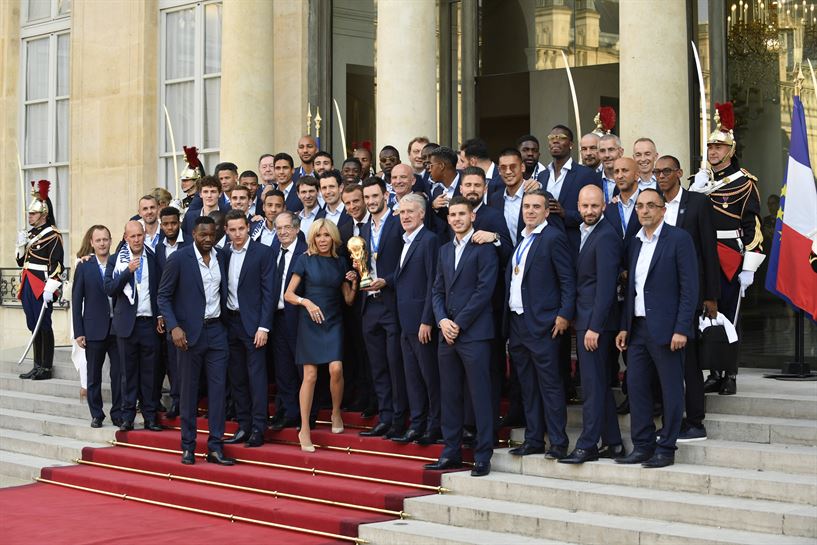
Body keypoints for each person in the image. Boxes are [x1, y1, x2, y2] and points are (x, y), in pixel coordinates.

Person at [615, 189, 698, 468]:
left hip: (667, 330)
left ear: (663, 210)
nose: (645, 210)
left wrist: (682, 328)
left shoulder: (679, 239)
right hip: (637, 328)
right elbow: (632, 290)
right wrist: (624, 326)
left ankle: (666, 447)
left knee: (670, 389)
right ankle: (642, 445)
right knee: (636, 387)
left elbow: (689, 288)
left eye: (651, 205)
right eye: (640, 206)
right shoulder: (635, 242)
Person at [693, 103, 764, 396]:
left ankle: (730, 374)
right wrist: (695, 191)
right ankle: (714, 371)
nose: (713, 151)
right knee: (708, 315)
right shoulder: (700, 181)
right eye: (710, 146)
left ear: (731, 150)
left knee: (729, 316)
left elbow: (753, 227)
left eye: (719, 147)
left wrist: (749, 267)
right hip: (702, 255)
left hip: (729, 255)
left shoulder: (744, 184)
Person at [426, 196, 497, 477]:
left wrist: (459, 323)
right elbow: (437, 290)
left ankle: (483, 455)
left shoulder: (484, 248)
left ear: (472, 217)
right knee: (450, 395)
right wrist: (442, 320)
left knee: (480, 396)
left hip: (474, 334)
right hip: (447, 334)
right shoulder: (444, 250)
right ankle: (451, 452)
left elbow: (484, 291)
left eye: (461, 214)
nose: (456, 219)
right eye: (452, 214)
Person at [157, 216, 234, 466]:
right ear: (193, 234)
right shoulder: (179, 259)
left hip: (217, 332)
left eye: (211, 234)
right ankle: (188, 446)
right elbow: (163, 296)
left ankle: (215, 447)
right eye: (203, 235)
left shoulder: (222, 257)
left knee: (218, 391)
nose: (208, 239)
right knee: (188, 392)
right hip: (189, 336)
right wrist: (174, 327)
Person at [505, 189, 575, 460]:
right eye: (526, 206)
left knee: (550, 385)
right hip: (518, 322)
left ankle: (558, 441)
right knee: (527, 385)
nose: (530, 211)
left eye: (536, 207)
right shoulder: (522, 239)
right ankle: (533, 439)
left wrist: (564, 314)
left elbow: (567, 280)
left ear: (547, 212)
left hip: (544, 323)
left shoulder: (553, 237)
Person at [656, 155, 720, 441]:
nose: (661, 176)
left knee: (690, 362)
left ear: (679, 173)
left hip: (689, 295)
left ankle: (695, 421)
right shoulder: (652, 203)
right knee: (665, 362)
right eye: (657, 172)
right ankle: (671, 419)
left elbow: (708, 250)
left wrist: (711, 296)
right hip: (659, 297)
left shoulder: (697, 203)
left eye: (666, 171)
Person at [560, 186, 622, 463]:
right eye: (584, 206)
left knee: (592, 385)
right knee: (598, 384)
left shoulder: (606, 236)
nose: (589, 211)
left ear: (604, 206)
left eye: (594, 206)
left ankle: (588, 445)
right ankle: (613, 442)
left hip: (596, 324)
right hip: (587, 320)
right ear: (578, 206)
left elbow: (606, 288)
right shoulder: (586, 232)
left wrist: (594, 327)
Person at [284, 219, 359, 452]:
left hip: (333, 320)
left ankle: (336, 412)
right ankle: (304, 428)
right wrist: (306, 302)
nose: (322, 240)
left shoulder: (340, 262)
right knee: (310, 376)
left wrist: (354, 283)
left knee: (336, 368)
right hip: (310, 321)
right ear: (313, 238)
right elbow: (288, 294)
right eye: (318, 235)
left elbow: (348, 300)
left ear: (333, 237)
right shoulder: (304, 259)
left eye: (326, 235)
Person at [358, 177, 407, 439]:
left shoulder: (399, 222)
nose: (371, 201)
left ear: (385, 196)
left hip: (392, 302)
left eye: (375, 196)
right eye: (367, 197)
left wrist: (387, 280)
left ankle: (399, 418)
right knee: (377, 365)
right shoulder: (365, 229)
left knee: (395, 363)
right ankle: (385, 416)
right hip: (370, 304)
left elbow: (406, 264)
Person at [221, 210, 274, 448]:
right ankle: (243, 425)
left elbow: (269, 292)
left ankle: (259, 427)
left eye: (241, 229)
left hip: (254, 325)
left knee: (257, 378)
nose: (237, 234)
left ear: (248, 228)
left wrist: (264, 326)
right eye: (232, 230)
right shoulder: (222, 254)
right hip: (229, 323)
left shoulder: (263, 252)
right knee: (237, 377)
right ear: (226, 231)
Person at [105, 220, 162, 432]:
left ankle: (150, 417)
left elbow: (160, 289)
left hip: (149, 323)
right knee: (127, 374)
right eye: (133, 236)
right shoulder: (116, 260)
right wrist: (127, 271)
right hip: (126, 325)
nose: (137, 240)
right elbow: (109, 289)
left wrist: (160, 315)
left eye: (140, 235)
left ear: (144, 235)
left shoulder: (153, 257)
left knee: (150, 374)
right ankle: (127, 417)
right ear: (125, 238)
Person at [393, 193, 441, 444]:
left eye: (410, 211)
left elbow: (434, 282)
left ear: (422, 214)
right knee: (412, 378)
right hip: (405, 322)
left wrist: (427, 320)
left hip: (422, 323)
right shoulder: (406, 241)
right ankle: (417, 424)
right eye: (402, 212)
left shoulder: (429, 240)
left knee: (429, 377)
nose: (405, 216)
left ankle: (435, 426)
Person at [72, 225, 122, 428]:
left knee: (119, 374)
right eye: (98, 240)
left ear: (110, 241)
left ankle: (117, 413)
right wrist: (79, 332)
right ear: (92, 243)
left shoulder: (118, 262)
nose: (102, 243)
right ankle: (96, 414)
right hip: (93, 328)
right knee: (93, 375)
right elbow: (77, 301)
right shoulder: (84, 266)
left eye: (105, 239)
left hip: (118, 328)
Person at [16, 180, 64, 381]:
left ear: (44, 214)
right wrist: (20, 246)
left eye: (33, 213)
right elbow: (21, 262)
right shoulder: (30, 234)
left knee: (43, 325)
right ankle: (37, 365)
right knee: (32, 324)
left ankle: (46, 367)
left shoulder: (53, 235)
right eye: (29, 213)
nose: (30, 216)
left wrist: (50, 287)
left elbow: (57, 264)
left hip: (42, 284)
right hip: (28, 281)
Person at [269, 212, 308, 430]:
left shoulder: (306, 251)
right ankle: (289, 412)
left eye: (287, 228)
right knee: (283, 369)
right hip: (277, 318)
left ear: (297, 229)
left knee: (303, 369)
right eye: (278, 228)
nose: (282, 232)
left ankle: (307, 414)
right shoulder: (273, 250)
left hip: (300, 318)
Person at [155, 206, 189, 418]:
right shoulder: (158, 248)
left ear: (179, 223)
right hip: (168, 312)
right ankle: (176, 401)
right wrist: (161, 314)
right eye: (166, 224)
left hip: (189, 308)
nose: (170, 227)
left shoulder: (190, 244)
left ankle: (189, 401)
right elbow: (158, 284)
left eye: (173, 223)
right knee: (173, 360)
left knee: (188, 359)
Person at [598, 134, 624, 203]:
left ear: (621, 152)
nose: (607, 155)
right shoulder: (592, 180)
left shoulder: (631, 180)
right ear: (598, 154)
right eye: (602, 151)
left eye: (611, 150)